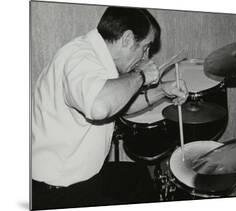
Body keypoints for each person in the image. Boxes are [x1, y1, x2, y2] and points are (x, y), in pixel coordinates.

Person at [31, 6, 188, 210]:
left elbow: (116, 106)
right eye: (145, 47)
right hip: (59, 192)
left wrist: (162, 91)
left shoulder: (97, 57)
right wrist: (141, 76)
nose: (145, 56)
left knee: (138, 178)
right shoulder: (80, 59)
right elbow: (99, 106)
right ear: (127, 39)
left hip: (82, 176)